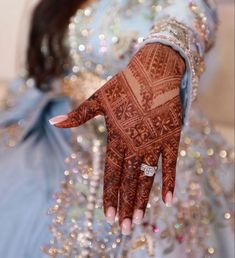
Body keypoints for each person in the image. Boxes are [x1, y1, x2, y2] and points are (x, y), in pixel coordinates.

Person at [0, 0, 234, 257]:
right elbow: (37, 75)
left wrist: (164, 54)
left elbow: (193, 11)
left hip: (147, 126)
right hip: (58, 127)